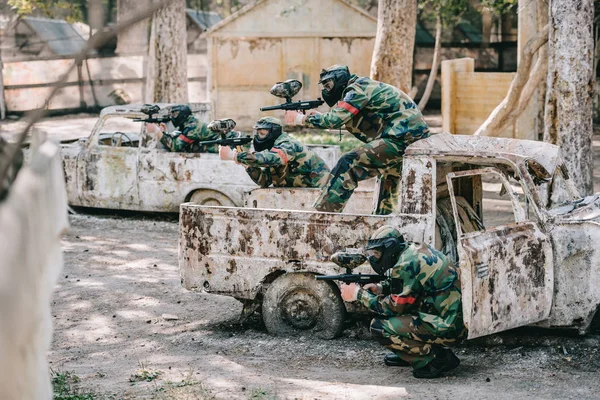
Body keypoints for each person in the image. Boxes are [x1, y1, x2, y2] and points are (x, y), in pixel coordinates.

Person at [284, 65, 430, 215]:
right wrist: (317, 117)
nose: (326, 90)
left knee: (348, 164)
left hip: (402, 139)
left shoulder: (357, 89)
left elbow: (334, 120)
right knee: (388, 182)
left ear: (339, 79)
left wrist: (301, 119)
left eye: (329, 85)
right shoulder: (361, 87)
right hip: (408, 138)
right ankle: (383, 222)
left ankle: (323, 217)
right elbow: (345, 119)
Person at [339, 225, 465, 379]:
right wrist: (380, 288)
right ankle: (409, 352)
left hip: (449, 327)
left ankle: (433, 361)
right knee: (403, 313)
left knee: (379, 327)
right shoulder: (412, 252)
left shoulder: (405, 265)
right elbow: (410, 286)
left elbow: (393, 308)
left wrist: (358, 294)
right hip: (449, 318)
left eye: (377, 253)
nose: (375, 258)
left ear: (390, 248)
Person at [218, 117, 330, 188]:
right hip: (302, 195)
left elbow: (274, 158)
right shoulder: (273, 149)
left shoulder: (288, 144)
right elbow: (264, 181)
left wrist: (235, 156)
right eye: (257, 132)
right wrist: (246, 164)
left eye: (262, 133)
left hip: (323, 191)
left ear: (273, 132)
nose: (258, 137)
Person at [146, 105, 222, 153]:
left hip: (225, 144)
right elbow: (178, 138)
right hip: (218, 143)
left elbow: (174, 147)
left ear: (183, 115)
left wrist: (156, 130)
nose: (173, 117)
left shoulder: (191, 128)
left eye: (175, 114)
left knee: (191, 148)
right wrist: (164, 133)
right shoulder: (189, 123)